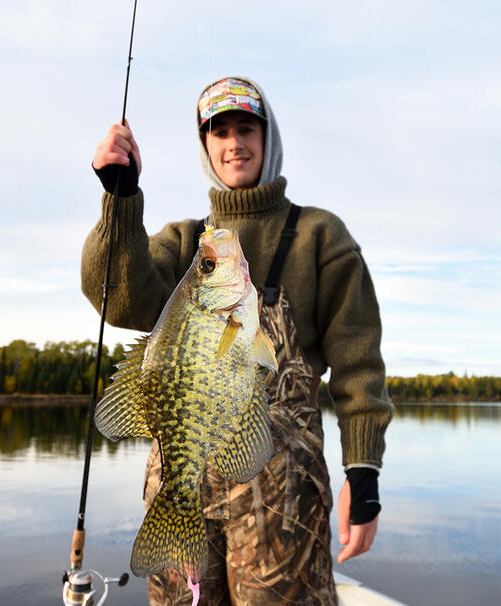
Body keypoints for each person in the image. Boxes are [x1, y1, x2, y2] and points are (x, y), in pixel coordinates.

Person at [81, 76, 394, 605]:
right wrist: (120, 199)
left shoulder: (321, 236)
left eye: (246, 128)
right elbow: (118, 297)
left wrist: (362, 474)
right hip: (179, 493)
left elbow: (358, 363)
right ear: (206, 146)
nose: (234, 143)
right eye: (218, 131)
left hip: (284, 503)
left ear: (268, 138)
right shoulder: (184, 241)